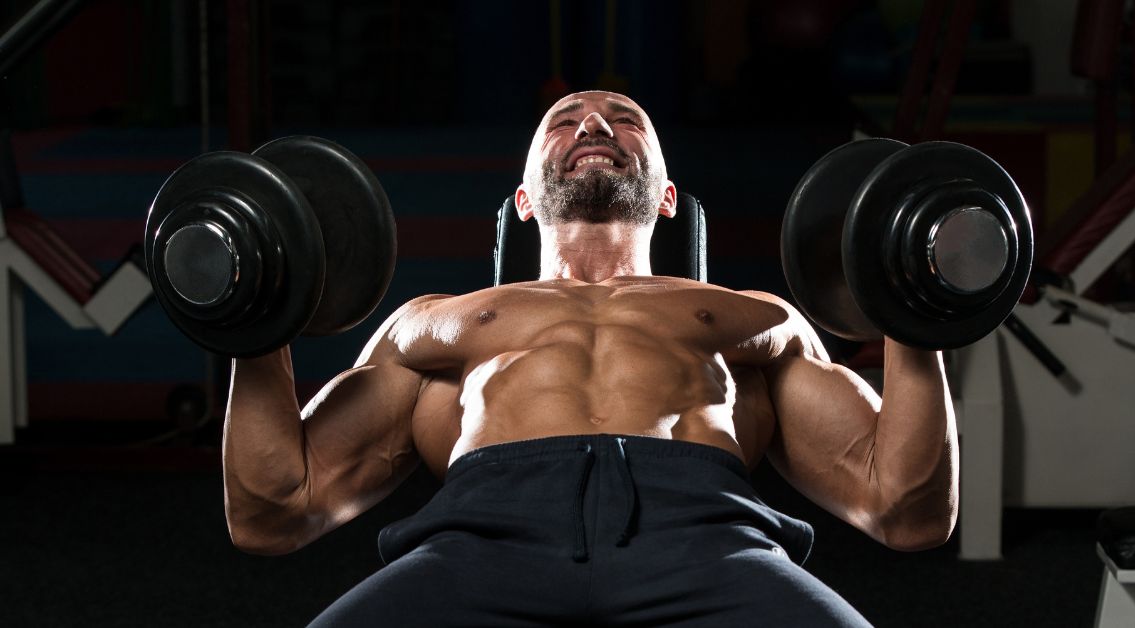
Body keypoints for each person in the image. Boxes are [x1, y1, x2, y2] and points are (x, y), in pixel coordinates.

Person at [223, 91, 958, 627]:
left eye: (625, 120)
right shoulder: (433, 323)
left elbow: (906, 510)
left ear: (667, 198)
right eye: (565, 122)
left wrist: (910, 312)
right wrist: (254, 318)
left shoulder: (755, 316)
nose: (596, 126)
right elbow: (276, 510)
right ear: (522, 199)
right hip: (486, 539)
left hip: (701, 536)